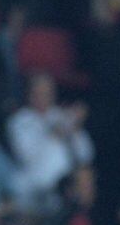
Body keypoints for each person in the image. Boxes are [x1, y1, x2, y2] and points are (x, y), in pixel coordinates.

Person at [7, 73, 94, 212]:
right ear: (29, 94)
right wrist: (53, 135)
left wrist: (76, 130)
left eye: (47, 92)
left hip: (66, 194)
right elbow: (27, 157)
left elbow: (86, 154)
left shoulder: (61, 115)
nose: (44, 97)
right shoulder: (19, 121)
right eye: (39, 92)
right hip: (34, 194)